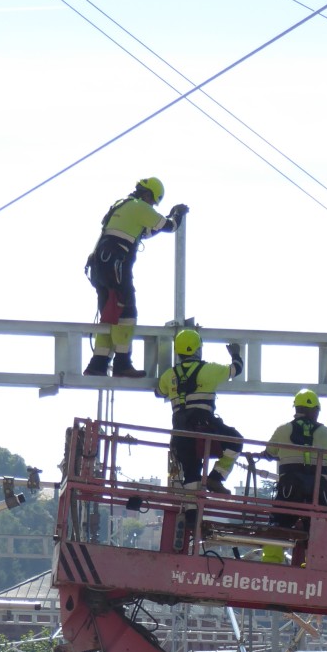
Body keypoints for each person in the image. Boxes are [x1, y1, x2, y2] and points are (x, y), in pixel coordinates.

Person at [83, 177, 187, 379]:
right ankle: (122, 364)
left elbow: (146, 232)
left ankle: (97, 364)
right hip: (115, 265)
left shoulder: (122, 205)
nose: (152, 206)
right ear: (149, 195)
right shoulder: (141, 207)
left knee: (109, 316)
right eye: (153, 202)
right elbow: (168, 226)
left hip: (100, 266)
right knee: (127, 313)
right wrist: (177, 214)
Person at [157, 328, 244, 491]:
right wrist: (235, 354)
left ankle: (192, 513)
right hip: (206, 425)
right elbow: (236, 369)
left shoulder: (168, 375)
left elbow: (159, 392)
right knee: (236, 441)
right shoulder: (209, 370)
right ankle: (216, 477)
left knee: (191, 473)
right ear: (198, 349)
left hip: (180, 431)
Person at [262, 389, 327, 562]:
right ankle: (313, 568)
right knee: (318, 531)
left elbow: (269, 452)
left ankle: (271, 564)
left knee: (277, 525)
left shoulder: (283, 430)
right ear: (316, 410)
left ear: (296, 409)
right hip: (320, 493)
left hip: (290, 491)